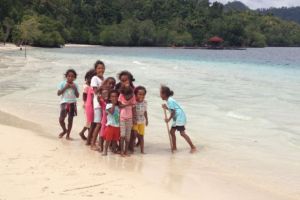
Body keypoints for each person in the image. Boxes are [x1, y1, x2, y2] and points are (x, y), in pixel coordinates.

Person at [160, 85, 196, 153]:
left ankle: (193, 147)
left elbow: (173, 112)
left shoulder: (170, 101)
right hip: (177, 117)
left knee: (182, 133)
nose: (160, 95)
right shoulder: (169, 100)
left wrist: (168, 119)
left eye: (161, 93)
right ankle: (174, 147)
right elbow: (172, 110)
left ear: (164, 94)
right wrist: (166, 108)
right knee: (172, 132)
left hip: (180, 117)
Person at [57, 69, 79, 140]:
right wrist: (65, 87)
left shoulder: (75, 85)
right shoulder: (62, 83)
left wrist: (74, 88)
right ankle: (64, 130)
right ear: (66, 76)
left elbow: (77, 95)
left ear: (74, 78)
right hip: (64, 102)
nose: (70, 78)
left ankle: (68, 135)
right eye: (69, 76)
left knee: (70, 120)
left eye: (72, 76)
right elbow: (58, 93)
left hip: (72, 103)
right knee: (61, 119)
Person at [89, 60, 105, 150]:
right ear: (95, 69)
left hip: (103, 104)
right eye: (99, 68)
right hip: (98, 104)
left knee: (101, 124)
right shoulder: (94, 78)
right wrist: (102, 86)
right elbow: (95, 91)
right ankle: (92, 144)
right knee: (98, 124)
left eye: (102, 68)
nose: (101, 70)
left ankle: (99, 142)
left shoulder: (103, 78)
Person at [118, 85, 136, 156]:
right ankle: (121, 151)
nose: (129, 97)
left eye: (130, 95)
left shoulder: (133, 96)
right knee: (122, 135)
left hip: (130, 118)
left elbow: (134, 108)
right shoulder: (121, 95)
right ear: (124, 94)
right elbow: (119, 106)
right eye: (127, 95)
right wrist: (127, 104)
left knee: (128, 136)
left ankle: (126, 151)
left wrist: (134, 118)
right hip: (122, 118)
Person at [79, 69, 95, 140]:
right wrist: (85, 103)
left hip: (90, 104)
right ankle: (82, 132)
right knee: (89, 121)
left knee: (90, 120)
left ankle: (90, 135)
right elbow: (84, 95)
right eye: (91, 77)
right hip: (87, 105)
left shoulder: (90, 85)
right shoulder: (86, 86)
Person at [102, 90, 120, 156]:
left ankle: (114, 149)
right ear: (110, 98)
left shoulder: (118, 106)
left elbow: (119, 115)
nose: (114, 98)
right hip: (110, 125)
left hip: (117, 125)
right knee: (108, 139)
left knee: (115, 139)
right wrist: (113, 104)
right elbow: (112, 112)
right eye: (112, 96)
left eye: (115, 96)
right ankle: (105, 150)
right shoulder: (108, 105)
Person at [132, 86, 148, 154]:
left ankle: (142, 151)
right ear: (136, 94)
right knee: (134, 134)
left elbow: (145, 111)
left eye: (143, 94)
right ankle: (132, 148)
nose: (142, 96)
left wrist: (147, 119)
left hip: (142, 121)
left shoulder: (145, 102)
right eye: (140, 94)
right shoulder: (134, 102)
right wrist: (133, 119)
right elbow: (132, 111)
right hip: (135, 121)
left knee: (141, 136)